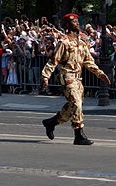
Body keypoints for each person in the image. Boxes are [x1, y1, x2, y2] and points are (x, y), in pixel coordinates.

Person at [40, 13, 110, 145]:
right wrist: (45, 76)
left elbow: (89, 62)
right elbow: (53, 61)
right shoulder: (63, 42)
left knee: (73, 107)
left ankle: (51, 122)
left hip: (79, 80)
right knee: (77, 104)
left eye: (77, 21)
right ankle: (79, 135)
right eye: (74, 22)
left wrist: (100, 73)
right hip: (67, 78)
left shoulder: (81, 43)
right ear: (67, 25)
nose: (77, 23)